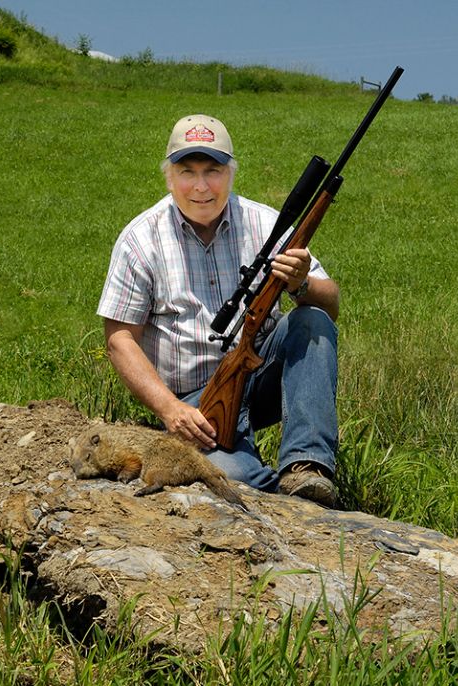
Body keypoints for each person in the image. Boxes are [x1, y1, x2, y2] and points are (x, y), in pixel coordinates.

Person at [97, 113, 341, 508]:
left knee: (311, 320)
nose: (201, 186)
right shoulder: (140, 240)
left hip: (260, 380)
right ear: (169, 177)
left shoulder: (267, 224)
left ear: (231, 173)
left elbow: (330, 304)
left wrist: (301, 283)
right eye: (187, 171)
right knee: (237, 480)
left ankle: (307, 468)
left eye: (213, 170)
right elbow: (120, 339)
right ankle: (283, 499)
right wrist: (170, 409)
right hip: (192, 408)